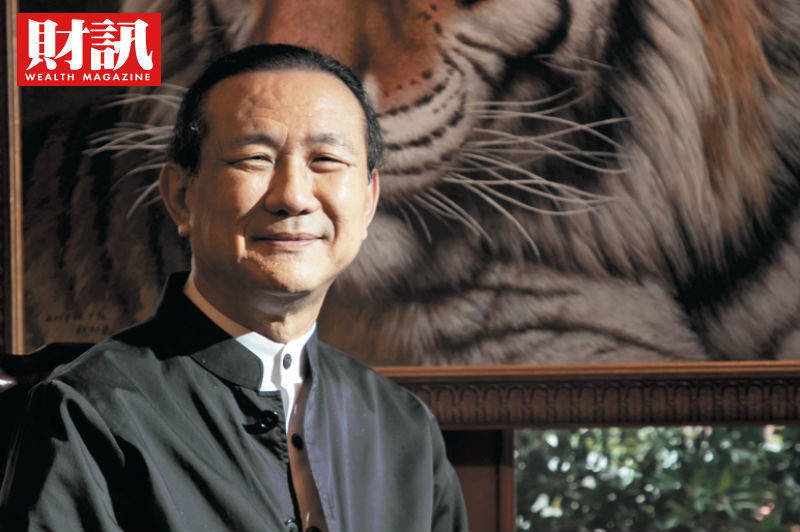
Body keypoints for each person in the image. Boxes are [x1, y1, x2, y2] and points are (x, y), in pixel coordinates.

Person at [0, 44, 467, 532]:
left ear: (368, 201)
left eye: (327, 160)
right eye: (255, 158)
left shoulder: (405, 427)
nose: (293, 196)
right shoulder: (86, 413)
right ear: (181, 196)